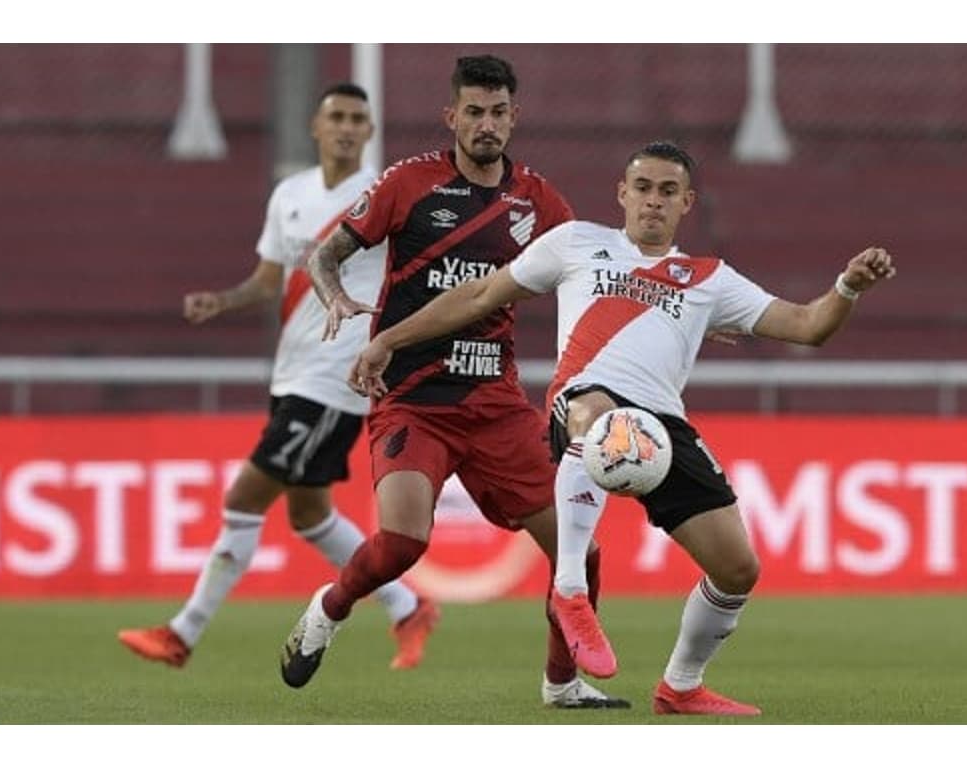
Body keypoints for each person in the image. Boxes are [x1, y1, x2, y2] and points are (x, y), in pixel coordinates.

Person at [348, 140, 898, 716]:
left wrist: (848, 287)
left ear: (687, 202)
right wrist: (389, 338)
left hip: (661, 429)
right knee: (598, 414)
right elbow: (482, 293)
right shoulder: (576, 243)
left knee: (738, 569)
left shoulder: (708, 279)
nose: (652, 202)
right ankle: (570, 589)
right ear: (622, 194)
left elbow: (808, 326)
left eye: (667, 192)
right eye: (642, 188)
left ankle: (681, 686)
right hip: (583, 402)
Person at [278, 55, 629, 710]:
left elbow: (601, 269)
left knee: (582, 552)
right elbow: (325, 254)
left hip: (496, 405)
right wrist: (332, 296)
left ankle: (561, 684)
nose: (487, 124)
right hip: (413, 398)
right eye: (474, 112)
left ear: (513, 117)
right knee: (404, 543)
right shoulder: (406, 184)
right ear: (453, 116)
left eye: (498, 113)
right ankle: (329, 609)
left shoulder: (540, 202)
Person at [118, 83, 438, 673]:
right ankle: (408, 605)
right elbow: (268, 283)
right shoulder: (289, 194)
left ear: (369, 133)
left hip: (336, 374)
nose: (345, 127)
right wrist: (222, 300)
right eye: (336, 117)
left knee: (245, 496)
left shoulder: (383, 195)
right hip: (291, 372)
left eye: (357, 119)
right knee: (308, 513)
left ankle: (182, 633)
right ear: (315, 128)